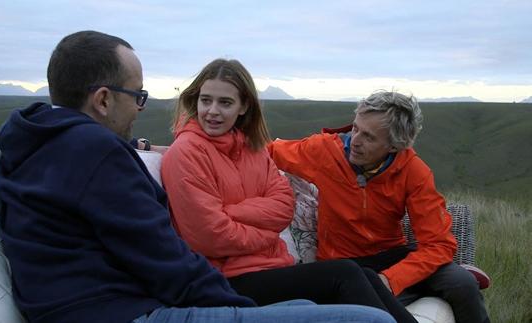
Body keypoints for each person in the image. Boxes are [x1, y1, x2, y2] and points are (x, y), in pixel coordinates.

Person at [0, 31, 395, 323]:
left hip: (108, 303)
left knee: (308, 307)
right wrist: (240, 309)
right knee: (367, 319)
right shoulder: (92, 151)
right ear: (102, 99)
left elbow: (279, 207)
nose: (138, 109)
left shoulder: (32, 141)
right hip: (122, 311)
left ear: (243, 109)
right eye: (137, 96)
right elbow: (169, 258)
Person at [160, 59, 417, 323]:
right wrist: (266, 234)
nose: (212, 111)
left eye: (225, 103)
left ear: (244, 106)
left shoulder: (253, 149)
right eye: (206, 100)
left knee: (364, 274)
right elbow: (207, 237)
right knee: (345, 274)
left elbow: (284, 206)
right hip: (223, 280)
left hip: (270, 268)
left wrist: (230, 213)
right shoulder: (186, 153)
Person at [268, 90, 490, 323]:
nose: (355, 141)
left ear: (394, 146)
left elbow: (438, 244)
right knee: (366, 303)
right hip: (343, 266)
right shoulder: (323, 151)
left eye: (369, 137)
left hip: (392, 257)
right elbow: (266, 151)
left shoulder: (413, 171)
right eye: (355, 128)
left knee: (462, 283)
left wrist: (392, 278)